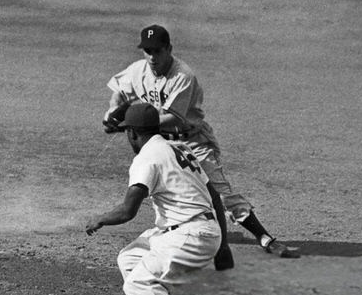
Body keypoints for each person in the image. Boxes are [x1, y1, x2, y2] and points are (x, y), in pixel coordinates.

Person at [102, 23, 298, 260]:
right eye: (148, 51)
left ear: (169, 49)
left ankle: (265, 237)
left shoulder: (183, 76)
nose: (152, 57)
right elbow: (120, 92)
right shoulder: (138, 70)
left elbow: (174, 118)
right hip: (163, 143)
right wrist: (112, 111)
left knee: (219, 192)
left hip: (193, 141)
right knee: (161, 188)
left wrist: (135, 124)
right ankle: (180, 232)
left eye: (158, 51)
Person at [86, 101, 228, 295]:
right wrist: (224, 245)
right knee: (130, 258)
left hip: (189, 234)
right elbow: (214, 196)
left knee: (137, 285)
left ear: (132, 133)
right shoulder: (178, 146)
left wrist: (100, 219)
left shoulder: (147, 158)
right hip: (197, 229)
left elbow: (128, 210)